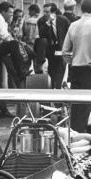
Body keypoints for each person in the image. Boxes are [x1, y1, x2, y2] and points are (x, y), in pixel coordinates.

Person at [62, 0, 91, 132]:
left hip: (76, 68)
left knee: (77, 104)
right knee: (86, 104)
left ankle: (74, 135)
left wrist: (72, 60)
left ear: (81, 9)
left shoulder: (73, 25)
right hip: (89, 68)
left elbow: (65, 51)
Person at [38, 2, 70, 88]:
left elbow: (69, 33)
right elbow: (41, 35)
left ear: (54, 12)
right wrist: (47, 23)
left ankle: (58, 87)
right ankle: (53, 87)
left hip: (61, 47)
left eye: (47, 12)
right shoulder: (41, 21)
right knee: (52, 70)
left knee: (61, 68)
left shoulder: (63, 20)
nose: (45, 14)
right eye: (44, 12)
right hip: (50, 48)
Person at [22, 4, 45, 73]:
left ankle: (24, 81)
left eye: (29, 11)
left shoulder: (26, 21)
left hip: (28, 45)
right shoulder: (42, 20)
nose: (28, 13)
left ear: (33, 11)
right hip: (38, 45)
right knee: (38, 66)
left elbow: (24, 33)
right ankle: (39, 81)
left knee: (25, 66)